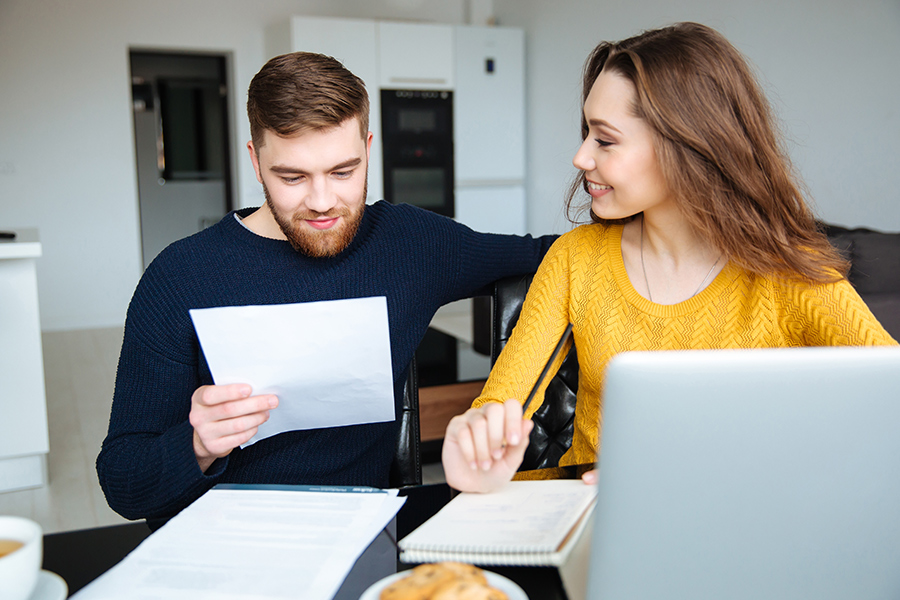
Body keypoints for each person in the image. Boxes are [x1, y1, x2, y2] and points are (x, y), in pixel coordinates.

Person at [97, 51, 556, 527]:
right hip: (222, 536)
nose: (321, 202)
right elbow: (123, 483)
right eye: (292, 177)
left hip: (357, 528)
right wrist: (196, 446)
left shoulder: (411, 244)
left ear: (368, 150)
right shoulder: (180, 276)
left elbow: (550, 254)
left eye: (343, 172)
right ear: (256, 162)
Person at [442, 22, 899, 493]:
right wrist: (475, 439)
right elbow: (499, 403)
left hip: (746, 520)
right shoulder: (575, 259)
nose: (580, 157)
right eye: (586, 133)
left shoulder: (790, 273)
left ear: (686, 146)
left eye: (605, 139)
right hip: (591, 521)